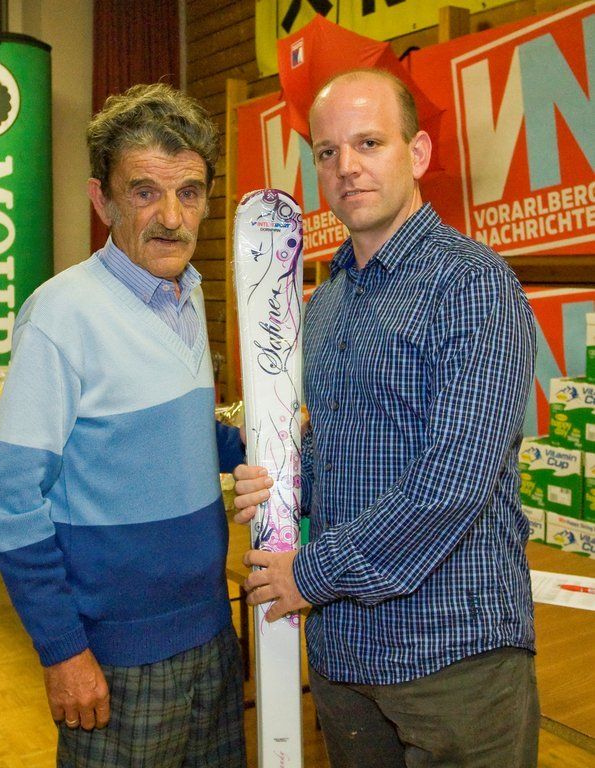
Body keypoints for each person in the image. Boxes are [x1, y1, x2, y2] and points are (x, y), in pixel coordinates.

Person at [233, 68, 539, 768]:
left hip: (451, 658)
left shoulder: (472, 285)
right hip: (343, 656)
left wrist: (307, 575)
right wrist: (280, 487)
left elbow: (452, 483)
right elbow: (335, 450)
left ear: (418, 153)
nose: (346, 166)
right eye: (327, 151)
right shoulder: (326, 301)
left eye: (369, 143)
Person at [0, 83, 246, 768]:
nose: (171, 217)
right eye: (144, 192)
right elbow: (9, 502)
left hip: (212, 634)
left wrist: (258, 441)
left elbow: (179, 434)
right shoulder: (60, 316)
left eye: (188, 192)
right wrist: (63, 651)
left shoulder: (187, 297)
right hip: (116, 660)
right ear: (102, 200)